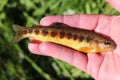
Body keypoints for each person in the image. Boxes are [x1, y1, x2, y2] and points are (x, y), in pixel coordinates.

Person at [28, 0, 120, 80]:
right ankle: (27, 32)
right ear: (95, 42)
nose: (109, 45)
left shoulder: (95, 43)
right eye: (106, 43)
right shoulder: (92, 44)